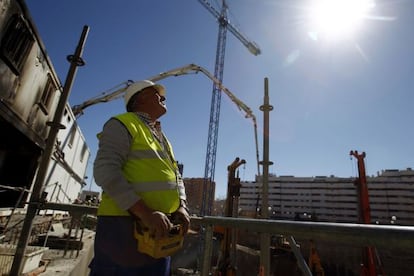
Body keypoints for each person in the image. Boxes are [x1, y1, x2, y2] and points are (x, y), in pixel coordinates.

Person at [89, 80, 190, 276]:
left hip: (160, 229)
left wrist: (182, 206)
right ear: (141, 97)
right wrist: (145, 212)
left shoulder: (163, 138)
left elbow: (176, 176)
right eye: (157, 93)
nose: (163, 98)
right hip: (122, 229)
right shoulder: (122, 123)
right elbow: (105, 171)